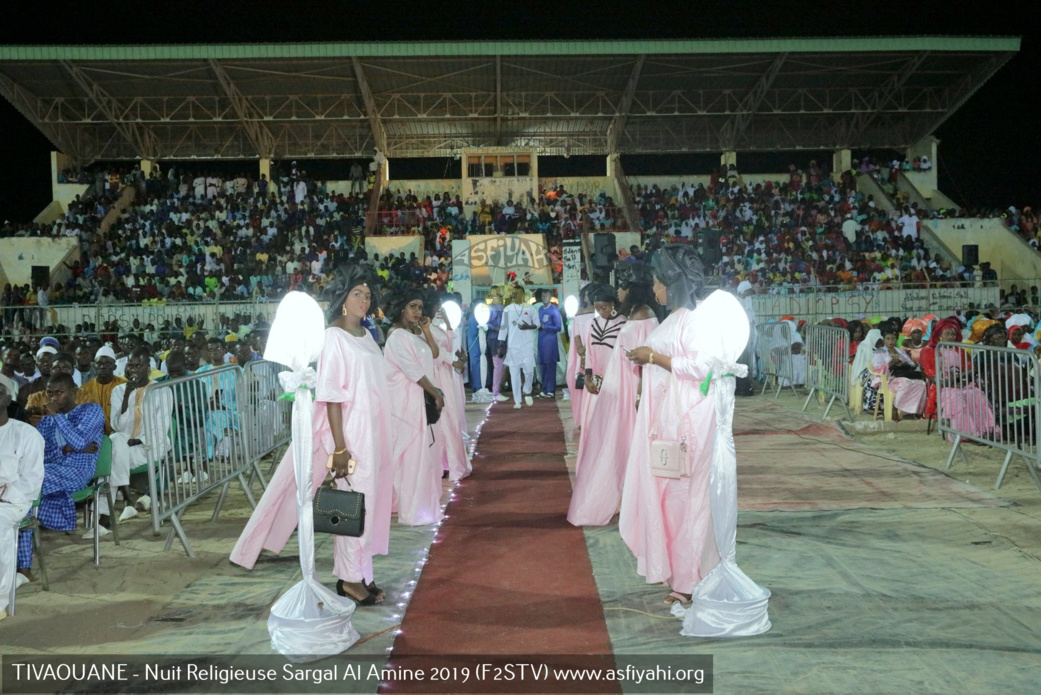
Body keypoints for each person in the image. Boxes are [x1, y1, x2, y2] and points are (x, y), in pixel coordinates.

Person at [232, 265, 393, 606]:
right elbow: (332, 395)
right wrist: (340, 447)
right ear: (343, 300)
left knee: (373, 503)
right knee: (355, 505)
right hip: (353, 433)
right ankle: (349, 579)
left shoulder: (368, 336)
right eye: (357, 294)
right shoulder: (334, 337)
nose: (364, 300)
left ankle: (363, 571)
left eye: (367, 294)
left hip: (377, 431)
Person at [620, 244, 719, 606]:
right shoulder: (675, 317)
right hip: (666, 422)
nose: (656, 290)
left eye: (659, 282)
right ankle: (680, 576)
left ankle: (692, 581)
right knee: (668, 502)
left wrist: (653, 357)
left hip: (686, 426)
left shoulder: (694, 320)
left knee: (686, 503)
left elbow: (704, 368)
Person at [568, 264, 659, 526]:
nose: (618, 292)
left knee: (628, 445)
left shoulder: (643, 316)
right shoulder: (632, 315)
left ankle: (632, 502)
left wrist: (641, 392)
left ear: (630, 288)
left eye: (621, 287)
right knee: (615, 446)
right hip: (616, 388)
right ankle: (620, 499)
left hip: (630, 389)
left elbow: (646, 358)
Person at [384, 286, 446, 526]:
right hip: (405, 404)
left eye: (420, 307)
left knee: (421, 456)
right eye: (413, 306)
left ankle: (420, 505)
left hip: (418, 403)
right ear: (401, 308)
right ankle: (410, 510)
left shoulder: (413, 333)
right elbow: (413, 372)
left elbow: (434, 354)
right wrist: (436, 394)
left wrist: (427, 331)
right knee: (410, 458)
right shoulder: (397, 336)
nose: (418, 311)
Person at [98, 348, 174, 534]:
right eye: (130, 366)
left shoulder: (161, 390)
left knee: (112, 459)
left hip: (151, 445)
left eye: (138, 366)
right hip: (125, 443)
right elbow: (117, 426)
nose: (133, 370)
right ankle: (126, 501)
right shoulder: (118, 391)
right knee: (116, 440)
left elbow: (161, 427)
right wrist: (126, 398)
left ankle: (108, 514)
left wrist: (139, 440)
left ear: (148, 368)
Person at [33, 374, 104, 541]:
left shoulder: (91, 411)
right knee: (23, 478)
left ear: (73, 392)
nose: (53, 397)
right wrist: (65, 449)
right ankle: (22, 534)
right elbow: (41, 456)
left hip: (79, 472)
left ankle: (20, 532)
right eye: (50, 393)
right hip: (51, 471)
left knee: (29, 478)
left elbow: (79, 442)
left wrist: (57, 415)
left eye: (59, 392)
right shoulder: (45, 422)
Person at [0, 381, 45, 621]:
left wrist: (3, 495)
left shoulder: (27, 435)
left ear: (8, 400)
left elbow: (32, 481)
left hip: (12, 503)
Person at [427, 293, 471, 481]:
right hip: (435, 374)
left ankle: (450, 461)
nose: (440, 309)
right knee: (440, 419)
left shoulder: (438, 326)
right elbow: (436, 354)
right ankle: (440, 462)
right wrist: (452, 360)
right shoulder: (425, 328)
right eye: (437, 306)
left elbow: (451, 344)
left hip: (446, 373)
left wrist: (449, 324)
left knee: (451, 417)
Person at [578, 285, 626, 432]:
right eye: (597, 309)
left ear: (612, 303)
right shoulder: (594, 323)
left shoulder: (622, 323)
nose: (600, 312)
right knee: (593, 423)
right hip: (595, 381)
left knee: (611, 424)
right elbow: (590, 353)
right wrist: (587, 377)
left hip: (615, 381)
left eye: (603, 307)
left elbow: (623, 356)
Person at [498, 287, 539, 409]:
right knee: (514, 373)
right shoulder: (508, 309)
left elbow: (538, 324)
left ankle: (527, 390)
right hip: (513, 346)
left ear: (523, 294)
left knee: (529, 371)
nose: (514, 296)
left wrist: (529, 327)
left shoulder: (531, 308)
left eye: (517, 293)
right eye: (513, 294)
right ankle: (517, 400)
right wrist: (501, 344)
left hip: (527, 345)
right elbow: (503, 327)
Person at [566, 283, 597, 429]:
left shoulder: (602, 312)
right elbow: (577, 335)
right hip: (585, 353)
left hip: (598, 353)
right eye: (586, 294)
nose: (587, 297)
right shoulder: (580, 314)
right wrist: (582, 353)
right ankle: (584, 416)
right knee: (583, 382)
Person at [78, 346, 127, 434]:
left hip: (120, 433)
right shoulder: (85, 389)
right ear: (94, 365)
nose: (102, 367)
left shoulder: (124, 386)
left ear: (115, 367)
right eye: (99, 363)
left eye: (108, 364)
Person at [536, 289, 563, 399]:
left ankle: (551, 390)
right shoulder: (540, 309)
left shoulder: (554, 310)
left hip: (550, 343)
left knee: (550, 365)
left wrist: (545, 327)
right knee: (542, 365)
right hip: (541, 341)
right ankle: (544, 389)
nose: (544, 297)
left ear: (550, 296)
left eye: (546, 295)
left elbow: (558, 327)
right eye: (543, 295)